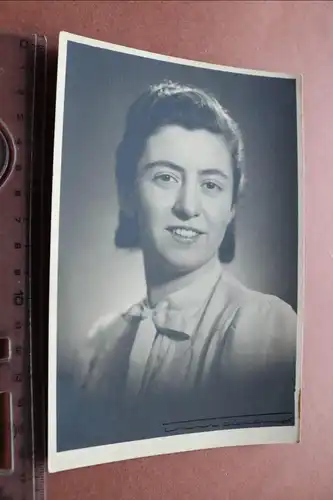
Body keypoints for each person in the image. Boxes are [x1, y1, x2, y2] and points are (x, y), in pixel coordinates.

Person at [57, 81, 297, 451]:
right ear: (127, 194)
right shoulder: (98, 347)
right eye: (165, 177)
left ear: (232, 206)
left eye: (211, 185)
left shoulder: (268, 330)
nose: (188, 205)